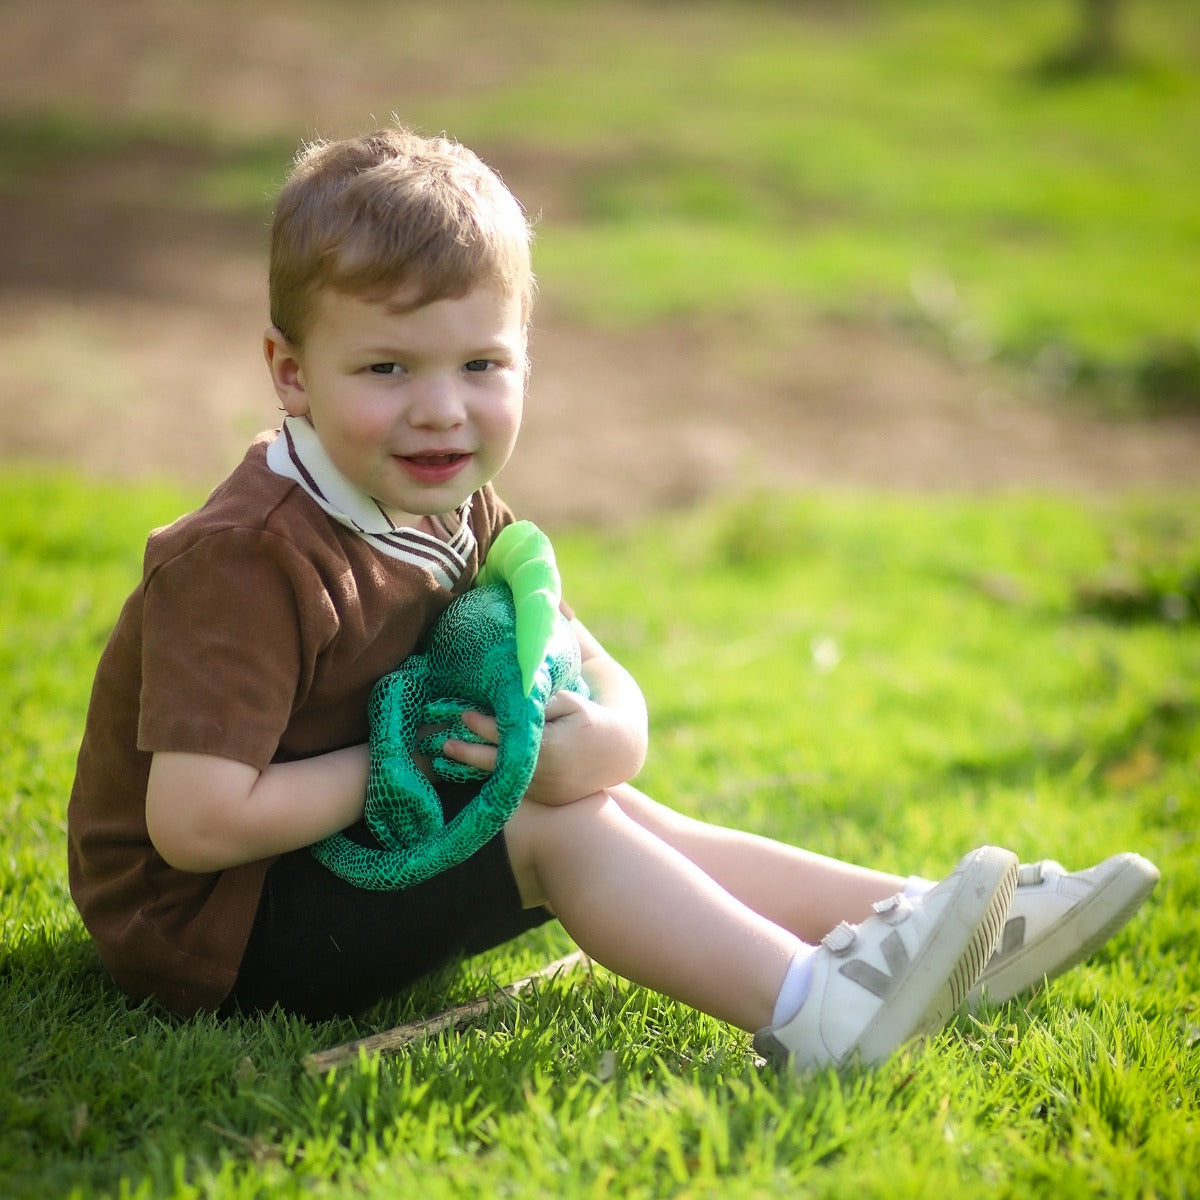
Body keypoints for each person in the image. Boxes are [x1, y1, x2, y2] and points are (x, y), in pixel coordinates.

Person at [66, 124, 1159, 1072]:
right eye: (386, 370)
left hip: (338, 858)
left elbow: (595, 682)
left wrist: (594, 746)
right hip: (212, 932)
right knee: (560, 841)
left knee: (605, 809)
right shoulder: (246, 558)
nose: (441, 411)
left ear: (525, 361)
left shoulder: (455, 510)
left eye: (481, 366)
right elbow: (197, 823)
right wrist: (415, 757)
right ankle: (814, 1011)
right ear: (292, 372)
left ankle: (924, 924)